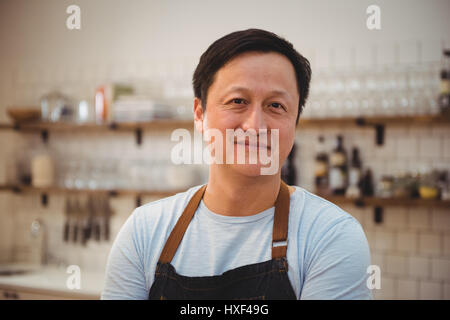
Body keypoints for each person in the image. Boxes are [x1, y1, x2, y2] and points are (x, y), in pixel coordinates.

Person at [101, 29, 372, 300]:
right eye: (238, 101)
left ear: (295, 123)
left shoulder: (330, 236)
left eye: (276, 105)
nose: (255, 126)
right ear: (200, 115)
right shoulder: (144, 231)